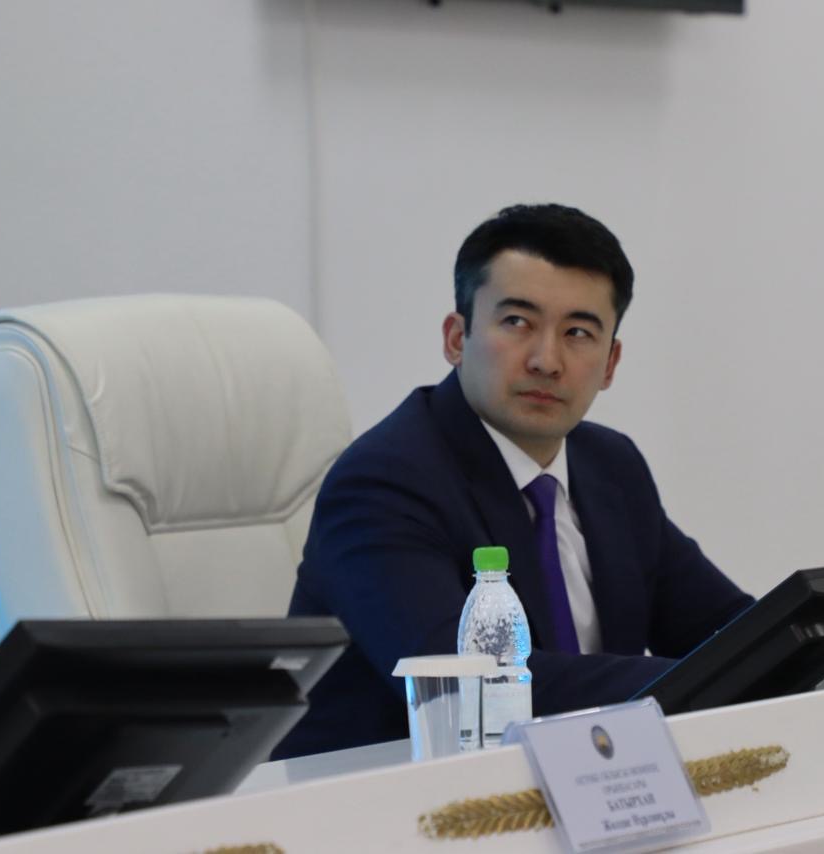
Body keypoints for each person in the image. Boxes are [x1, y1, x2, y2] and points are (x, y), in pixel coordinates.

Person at [274, 204, 753, 759]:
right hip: (386, 795)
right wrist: (713, 678)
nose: (547, 360)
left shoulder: (611, 466)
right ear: (457, 338)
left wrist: (801, 653)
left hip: (590, 781)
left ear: (610, 362)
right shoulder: (383, 482)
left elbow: (727, 629)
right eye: (517, 323)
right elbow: (471, 689)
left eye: (578, 332)